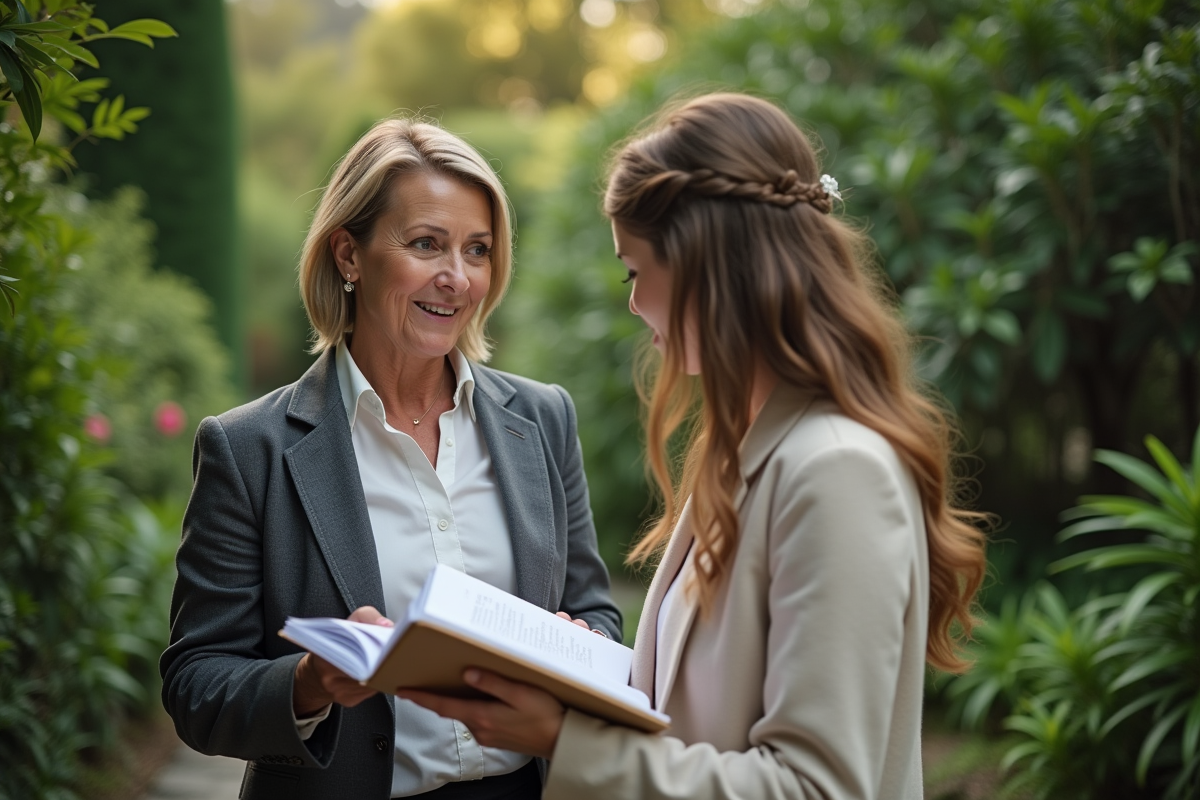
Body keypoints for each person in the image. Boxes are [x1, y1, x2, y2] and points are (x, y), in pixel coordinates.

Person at [398, 93, 989, 800]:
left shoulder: (837, 471)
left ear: (707, 268)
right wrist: (578, 671)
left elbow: (816, 787)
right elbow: (709, 705)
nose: (633, 303)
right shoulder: (750, 450)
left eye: (635, 271)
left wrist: (562, 738)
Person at [160, 118, 622, 800]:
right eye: (426, 244)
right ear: (349, 255)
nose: (457, 279)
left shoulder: (543, 418)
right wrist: (307, 683)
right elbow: (196, 684)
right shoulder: (250, 448)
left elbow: (597, 613)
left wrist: (573, 645)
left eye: (478, 250)